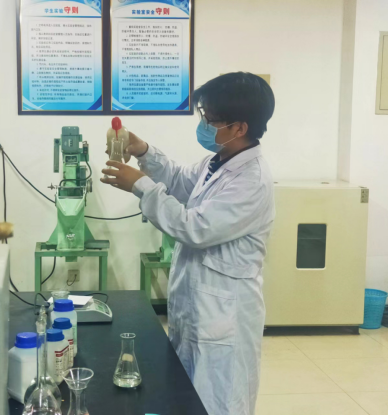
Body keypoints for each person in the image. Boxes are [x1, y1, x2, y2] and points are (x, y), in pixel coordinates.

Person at [101, 72, 276, 415]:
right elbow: (181, 181)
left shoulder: (251, 180)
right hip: (198, 307)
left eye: (211, 120)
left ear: (240, 127)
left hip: (224, 315)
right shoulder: (219, 160)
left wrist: (140, 185)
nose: (204, 125)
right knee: (187, 396)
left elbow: (195, 228)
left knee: (219, 400)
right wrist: (144, 151)